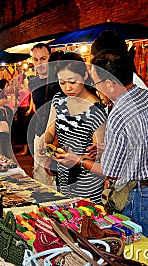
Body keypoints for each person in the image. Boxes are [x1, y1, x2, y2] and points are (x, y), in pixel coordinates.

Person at [83, 30, 148, 265]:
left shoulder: (119, 113)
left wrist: (79, 161)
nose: (96, 89)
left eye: (97, 83)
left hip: (146, 196)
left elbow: (111, 171)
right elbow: (144, 144)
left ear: (110, 83)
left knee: (142, 259)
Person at [43, 52, 107, 204]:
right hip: (63, 175)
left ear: (84, 76)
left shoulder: (96, 109)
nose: (67, 88)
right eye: (62, 82)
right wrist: (47, 145)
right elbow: (50, 130)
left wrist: (76, 159)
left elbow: (98, 154)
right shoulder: (59, 100)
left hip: (87, 181)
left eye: (72, 82)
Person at [28, 43, 63, 186]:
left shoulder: (59, 81)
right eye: (35, 60)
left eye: (43, 59)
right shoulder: (33, 83)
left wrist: (54, 140)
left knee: (55, 181)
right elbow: (36, 108)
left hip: (57, 137)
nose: (39, 64)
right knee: (40, 178)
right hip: (40, 134)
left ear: (50, 58)